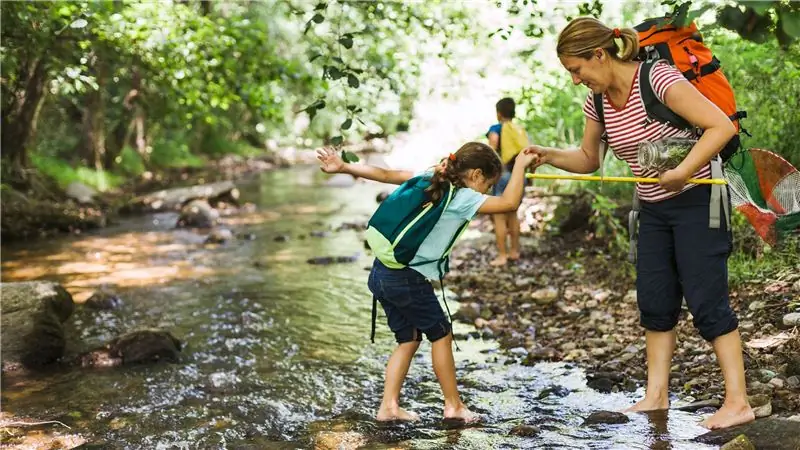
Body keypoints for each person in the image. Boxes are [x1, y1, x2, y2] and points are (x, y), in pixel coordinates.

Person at [526, 17, 754, 430]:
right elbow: (588, 159)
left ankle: (738, 402)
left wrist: (684, 169)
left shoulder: (658, 79)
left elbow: (720, 126)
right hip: (652, 210)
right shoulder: (596, 102)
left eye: (577, 69)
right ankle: (656, 396)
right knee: (655, 300)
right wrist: (546, 154)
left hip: (698, 201)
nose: (576, 80)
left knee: (706, 301)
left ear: (599, 54)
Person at [316, 142, 539, 423]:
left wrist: (344, 166)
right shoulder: (463, 197)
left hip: (382, 272)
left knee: (408, 339)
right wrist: (519, 165)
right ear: (476, 175)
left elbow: (386, 175)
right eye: (490, 184)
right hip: (406, 279)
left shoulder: (431, 176)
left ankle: (389, 407)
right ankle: (454, 406)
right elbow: (509, 203)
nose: (489, 191)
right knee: (441, 334)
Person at [486, 97, 530, 266]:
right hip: (518, 174)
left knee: (498, 215)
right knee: (513, 213)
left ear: (498, 113)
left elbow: (492, 149)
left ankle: (502, 255)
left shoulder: (496, 128)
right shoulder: (519, 129)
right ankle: (514, 251)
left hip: (503, 175)